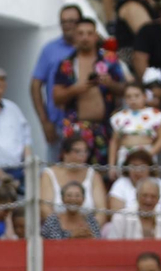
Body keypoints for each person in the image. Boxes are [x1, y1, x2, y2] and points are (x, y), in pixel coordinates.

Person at [54, 20, 127, 165]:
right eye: (81, 34)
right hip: (76, 130)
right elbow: (56, 98)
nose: (85, 38)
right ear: (75, 36)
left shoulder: (110, 60)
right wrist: (76, 89)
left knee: (104, 172)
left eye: (89, 33)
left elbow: (124, 90)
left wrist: (110, 83)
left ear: (95, 36)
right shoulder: (66, 64)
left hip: (105, 128)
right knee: (75, 170)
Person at [32, 5, 88, 150]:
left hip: (89, 124)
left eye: (72, 21)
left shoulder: (92, 47)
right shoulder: (50, 49)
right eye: (63, 22)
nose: (67, 25)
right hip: (58, 125)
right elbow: (35, 85)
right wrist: (44, 122)